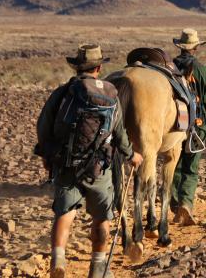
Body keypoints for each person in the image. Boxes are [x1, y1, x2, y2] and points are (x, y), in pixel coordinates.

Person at [35, 44, 143, 278]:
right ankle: (98, 267)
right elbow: (120, 134)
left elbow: (43, 126)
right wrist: (132, 155)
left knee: (65, 212)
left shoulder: (63, 92)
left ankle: (58, 259)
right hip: (99, 168)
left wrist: (46, 155)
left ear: (76, 68)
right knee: (102, 217)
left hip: (66, 163)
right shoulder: (111, 95)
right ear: (99, 68)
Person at [170, 28, 206, 226]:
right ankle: (186, 203)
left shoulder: (168, 69)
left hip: (172, 126)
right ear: (196, 48)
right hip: (197, 125)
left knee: (173, 165)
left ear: (180, 47)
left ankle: (174, 204)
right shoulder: (204, 72)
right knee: (191, 167)